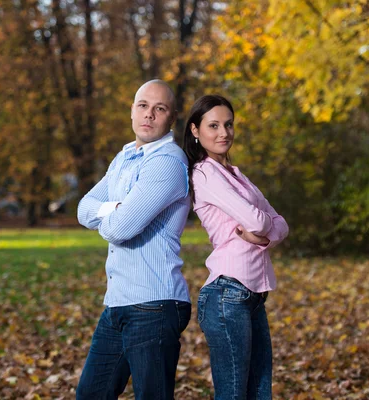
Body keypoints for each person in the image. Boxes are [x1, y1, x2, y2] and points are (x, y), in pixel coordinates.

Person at [76, 80, 192, 400]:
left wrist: (114, 215)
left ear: (172, 118)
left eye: (160, 108)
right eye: (143, 105)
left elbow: (120, 230)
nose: (149, 114)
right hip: (118, 302)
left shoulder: (168, 162)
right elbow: (83, 209)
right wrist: (117, 207)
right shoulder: (125, 157)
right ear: (132, 110)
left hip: (153, 304)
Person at [182, 95, 289, 400]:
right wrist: (264, 227)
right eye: (213, 125)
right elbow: (257, 219)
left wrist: (265, 236)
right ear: (195, 130)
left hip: (252, 295)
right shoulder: (204, 173)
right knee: (233, 394)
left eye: (228, 124)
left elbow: (281, 224)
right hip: (227, 294)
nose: (223, 132)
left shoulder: (237, 175)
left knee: (259, 392)